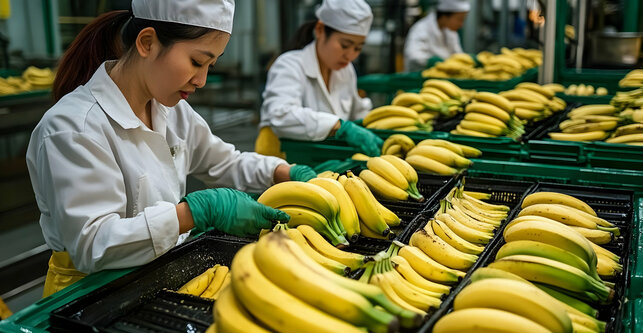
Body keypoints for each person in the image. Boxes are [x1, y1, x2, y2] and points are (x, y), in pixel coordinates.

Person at [26, 0, 317, 297]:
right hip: (86, 296)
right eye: (196, 62)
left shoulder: (172, 110)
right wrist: (194, 212)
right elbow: (93, 244)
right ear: (147, 42)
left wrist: (285, 172)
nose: (201, 80)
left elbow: (224, 162)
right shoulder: (73, 128)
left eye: (210, 65)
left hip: (158, 273)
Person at [255, 0, 383, 158]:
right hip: (284, 163)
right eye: (344, 45)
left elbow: (358, 112)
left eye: (357, 48)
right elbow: (281, 116)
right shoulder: (289, 65)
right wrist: (339, 126)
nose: (350, 55)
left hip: (326, 163)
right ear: (320, 30)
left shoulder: (346, 71)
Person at [404, 0, 470, 72]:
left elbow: (458, 55)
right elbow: (414, 56)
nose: (461, 25)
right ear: (445, 16)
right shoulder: (421, 28)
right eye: (459, 19)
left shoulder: (451, 33)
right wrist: (432, 61)